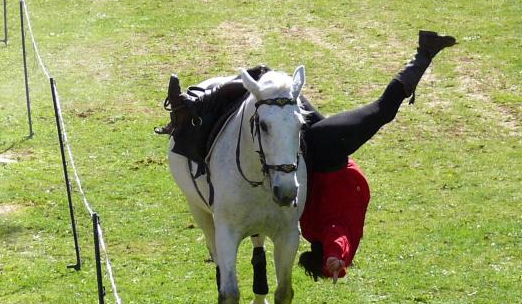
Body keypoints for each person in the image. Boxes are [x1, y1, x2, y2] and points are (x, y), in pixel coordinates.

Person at [161, 31, 457, 281]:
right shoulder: (315, 229)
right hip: (320, 146)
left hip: (324, 149)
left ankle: (195, 105)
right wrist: (336, 256)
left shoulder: (318, 230)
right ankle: (424, 51)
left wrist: (335, 256)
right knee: (280, 89)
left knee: (380, 110)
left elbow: (337, 234)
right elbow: (338, 236)